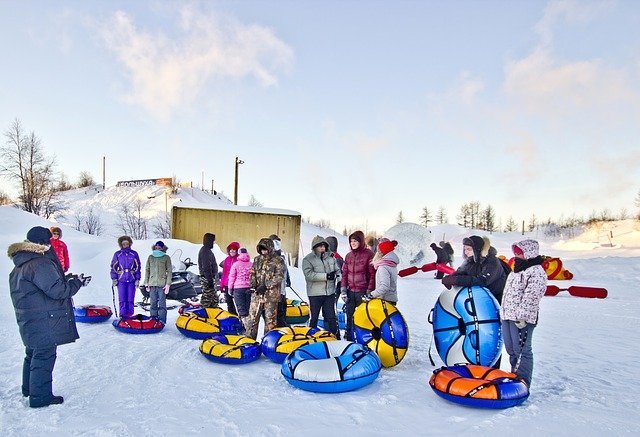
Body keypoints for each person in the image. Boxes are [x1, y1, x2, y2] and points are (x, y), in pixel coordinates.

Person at [8, 226, 91, 408]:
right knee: (44, 355)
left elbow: (43, 286)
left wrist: (67, 278)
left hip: (29, 318)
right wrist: (77, 283)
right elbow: (58, 290)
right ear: (43, 243)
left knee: (32, 353)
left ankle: (29, 389)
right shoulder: (40, 263)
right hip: (43, 319)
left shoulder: (21, 264)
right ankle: (40, 397)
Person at [500, 240, 547, 387]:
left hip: (522, 319)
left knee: (522, 350)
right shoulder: (516, 271)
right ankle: (515, 373)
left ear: (529, 252)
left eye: (520, 252)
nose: (517, 255)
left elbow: (532, 295)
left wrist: (522, 316)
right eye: (516, 252)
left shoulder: (536, 271)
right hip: (508, 315)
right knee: (511, 349)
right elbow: (507, 293)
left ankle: (523, 381)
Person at [441, 235, 507, 303]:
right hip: (480, 297)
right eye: (465, 249)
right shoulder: (471, 260)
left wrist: (456, 280)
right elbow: (460, 272)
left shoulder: (492, 261)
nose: (466, 252)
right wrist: (450, 278)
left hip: (497, 300)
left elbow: (482, 281)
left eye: (469, 249)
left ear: (477, 249)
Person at [246, 238, 285, 340]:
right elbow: (252, 273)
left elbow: (279, 277)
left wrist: (266, 285)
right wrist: (253, 285)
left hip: (271, 296)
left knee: (270, 322)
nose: (263, 252)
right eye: (261, 249)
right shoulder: (257, 259)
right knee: (252, 320)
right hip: (257, 295)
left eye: (265, 249)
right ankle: (249, 341)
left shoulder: (278, 260)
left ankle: (268, 342)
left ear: (270, 248)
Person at [302, 236, 341, 337]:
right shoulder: (308, 259)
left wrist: (340, 280)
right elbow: (309, 275)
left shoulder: (331, 258)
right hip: (315, 294)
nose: (322, 248)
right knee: (314, 317)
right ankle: (311, 337)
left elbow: (337, 270)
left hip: (329, 293)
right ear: (314, 247)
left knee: (330, 316)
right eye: (319, 246)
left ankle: (333, 336)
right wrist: (326, 276)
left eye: (324, 245)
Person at [340, 230, 375, 341]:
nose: (353, 243)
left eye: (355, 241)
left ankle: (363, 340)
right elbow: (344, 274)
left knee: (363, 317)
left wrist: (369, 291)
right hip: (351, 291)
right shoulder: (348, 256)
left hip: (362, 292)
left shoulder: (369, 254)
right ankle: (349, 338)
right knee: (349, 316)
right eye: (351, 241)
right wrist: (344, 290)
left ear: (361, 241)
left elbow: (372, 275)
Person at [110, 236, 141, 317]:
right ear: (121, 244)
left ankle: (130, 316)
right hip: (121, 280)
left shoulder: (134, 254)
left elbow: (138, 267)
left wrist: (137, 279)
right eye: (123, 243)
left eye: (127, 243)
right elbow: (113, 267)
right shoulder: (118, 254)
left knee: (130, 300)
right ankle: (123, 317)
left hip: (131, 280)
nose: (125, 245)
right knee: (122, 299)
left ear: (129, 243)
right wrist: (114, 278)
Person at [143, 241, 172, 323]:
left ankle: (162, 321)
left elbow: (169, 271)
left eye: (159, 248)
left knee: (162, 304)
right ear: (154, 247)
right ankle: (153, 320)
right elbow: (147, 270)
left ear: (163, 248)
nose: (157, 249)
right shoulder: (151, 257)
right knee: (153, 303)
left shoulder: (166, 257)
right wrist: (146, 282)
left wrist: (168, 284)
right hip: (152, 284)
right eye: (156, 247)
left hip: (162, 285)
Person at [228, 248, 253, 331]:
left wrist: (230, 288)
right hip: (249, 288)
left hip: (238, 289)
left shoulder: (235, 264)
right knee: (247, 309)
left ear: (239, 254)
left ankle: (244, 328)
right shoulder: (251, 264)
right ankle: (248, 327)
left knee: (241, 310)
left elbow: (232, 277)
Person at [269, 234, 291, 328]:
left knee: (283, 307)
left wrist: (288, 279)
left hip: (282, 287)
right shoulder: (269, 256)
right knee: (275, 309)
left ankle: (282, 325)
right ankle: (277, 327)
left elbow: (285, 269)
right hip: (273, 288)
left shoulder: (282, 255)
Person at [370, 240, 399, 304]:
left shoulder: (383, 267)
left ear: (382, 252)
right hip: (391, 299)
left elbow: (385, 286)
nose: (377, 253)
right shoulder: (392, 264)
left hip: (385, 301)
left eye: (378, 251)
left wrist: (371, 295)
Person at [219, 241, 240, 315]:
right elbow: (224, 273)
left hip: (236, 285)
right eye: (230, 250)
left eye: (234, 250)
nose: (232, 252)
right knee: (229, 302)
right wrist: (221, 285)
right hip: (227, 284)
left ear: (237, 251)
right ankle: (232, 316)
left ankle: (240, 318)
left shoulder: (239, 259)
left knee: (238, 303)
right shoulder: (227, 259)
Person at [198, 233, 219, 308]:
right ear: (210, 241)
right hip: (207, 278)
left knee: (214, 298)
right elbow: (206, 267)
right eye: (213, 240)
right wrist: (210, 280)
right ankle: (203, 314)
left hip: (210, 278)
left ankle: (214, 312)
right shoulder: (205, 251)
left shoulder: (208, 250)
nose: (214, 242)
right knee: (207, 298)